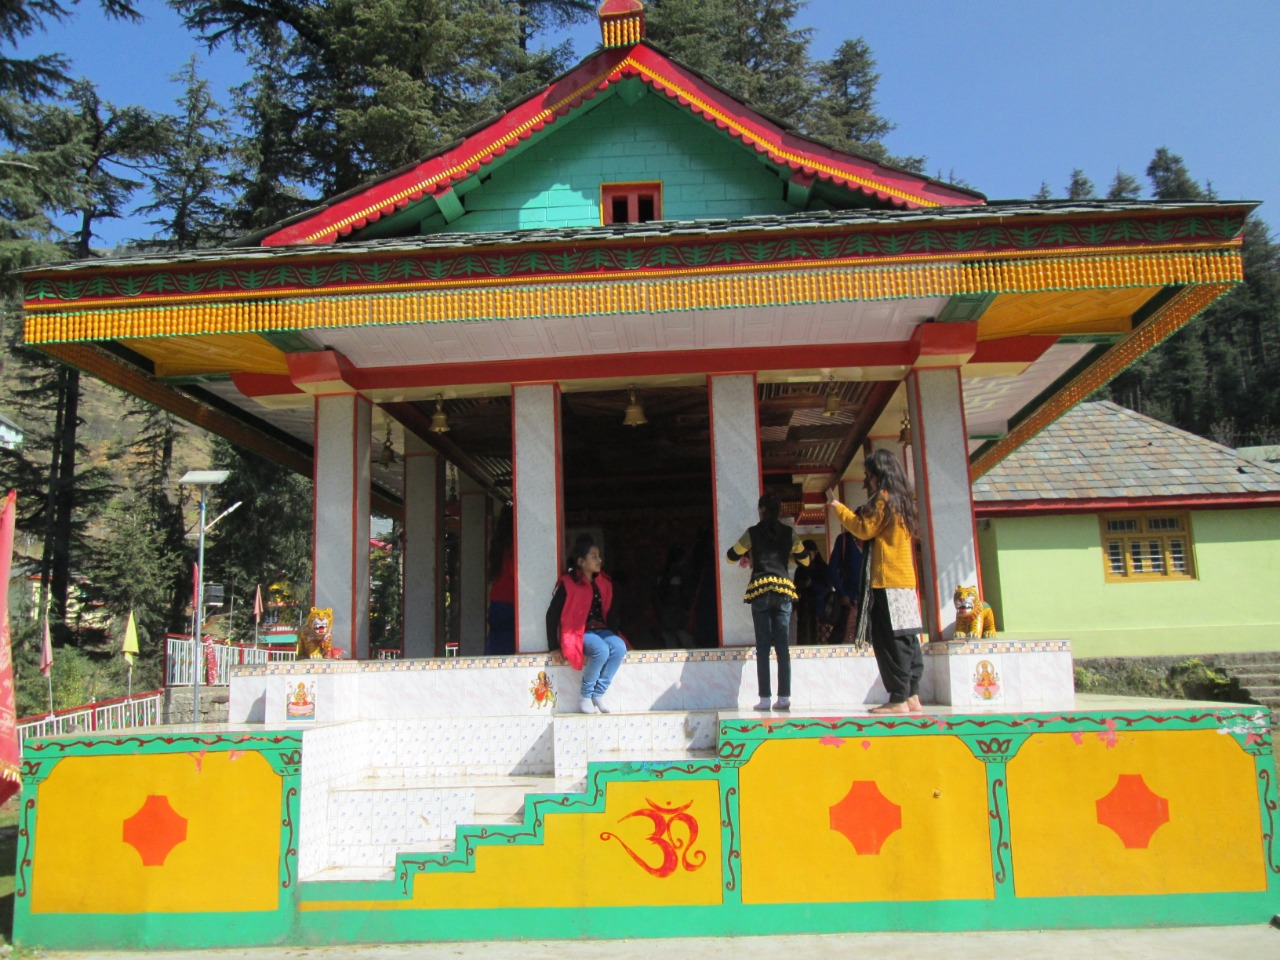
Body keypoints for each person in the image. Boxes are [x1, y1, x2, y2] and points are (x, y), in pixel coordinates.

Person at [828, 449, 923, 714]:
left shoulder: (883, 499)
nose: (866, 480)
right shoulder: (904, 500)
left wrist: (838, 509)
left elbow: (863, 528)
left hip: (886, 581)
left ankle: (898, 699)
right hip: (904, 581)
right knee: (907, 638)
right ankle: (912, 695)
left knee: (888, 640)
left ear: (877, 474)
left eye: (868, 474)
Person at [726, 492, 810, 711]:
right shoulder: (789, 533)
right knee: (783, 646)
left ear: (761, 510)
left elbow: (730, 555)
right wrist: (787, 556)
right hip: (783, 590)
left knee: (763, 647)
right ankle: (784, 698)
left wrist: (748, 554)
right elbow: (806, 559)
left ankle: (764, 698)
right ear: (780, 510)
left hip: (760, 591)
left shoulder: (752, 533)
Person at [545, 533, 628, 714]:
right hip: (579, 633)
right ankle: (585, 695)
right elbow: (552, 615)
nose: (599, 561)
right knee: (601, 650)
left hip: (602, 630)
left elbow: (611, 614)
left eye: (599, 556)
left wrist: (613, 635)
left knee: (620, 647)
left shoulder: (604, 583)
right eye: (594, 557)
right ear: (582, 562)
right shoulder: (568, 584)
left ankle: (598, 693)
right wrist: (554, 646)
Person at [485, 505, 515, 655]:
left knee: (495, 645)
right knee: (509, 647)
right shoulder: (513, 545)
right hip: (510, 601)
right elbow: (514, 573)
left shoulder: (498, 544)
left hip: (496, 600)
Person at [827, 529, 864, 643]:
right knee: (843, 634)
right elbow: (832, 569)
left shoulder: (872, 540)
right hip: (848, 599)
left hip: (868, 599)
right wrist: (842, 593)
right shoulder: (844, 540)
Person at [793, 539, 832, 645]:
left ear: (815, 553)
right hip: (804, 611)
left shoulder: (823, 569)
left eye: (809, 554)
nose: (807, 558)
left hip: (820, 611)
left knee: (820, 642)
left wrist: (811, 584)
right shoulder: (800, 570)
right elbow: (795, 589)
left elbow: (827, 589)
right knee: (804, 639)